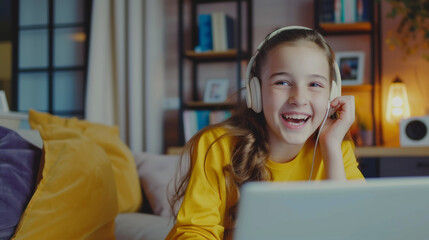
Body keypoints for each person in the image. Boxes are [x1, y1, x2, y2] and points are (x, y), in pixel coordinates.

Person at [166, 26, 365, 240]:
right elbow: (194, 232)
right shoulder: (218, 145)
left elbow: (353, 228)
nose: (298, 98)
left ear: (332, 95)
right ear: (256, 91)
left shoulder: (335, 147)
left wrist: (332, 148)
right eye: (283, 82)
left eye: (315, 84)